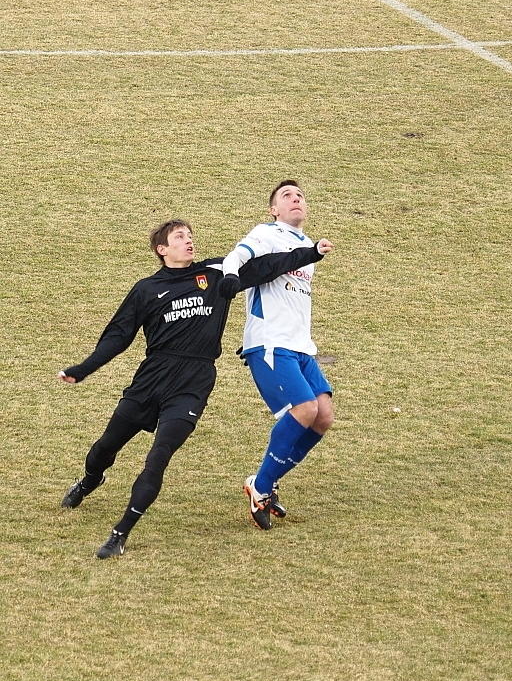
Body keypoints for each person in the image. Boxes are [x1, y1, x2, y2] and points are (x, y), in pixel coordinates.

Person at [58, 218, 332, 559]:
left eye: (190, 236)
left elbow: (267, 266)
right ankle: (89, 480)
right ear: (162, 249)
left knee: (157, 459)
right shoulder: (146, 289)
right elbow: (117, 337)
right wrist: (82, 370)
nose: (189, 241)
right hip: (151, 380)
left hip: (193, 384)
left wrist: (311, 253)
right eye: (179, 237)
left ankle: (120, 534)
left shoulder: (216, 273)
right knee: (104, 448)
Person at [223, 180, 334, 530]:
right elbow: (236, 257)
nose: (295, 198)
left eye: (300, 195)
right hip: (269, 342)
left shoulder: (307, 246)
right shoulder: (266, 233)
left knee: (323, 417)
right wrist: (229, 277)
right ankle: (261, 487)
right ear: (274, 209)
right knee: (305, 409)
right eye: (287, 195)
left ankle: (263, 482)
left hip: (301, 347)